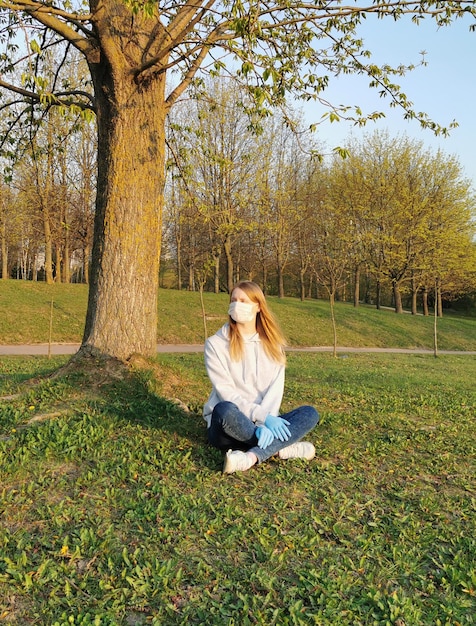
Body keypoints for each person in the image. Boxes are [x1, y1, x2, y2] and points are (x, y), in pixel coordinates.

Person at [203, 281, 320, 474]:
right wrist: (259, 421)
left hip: (265, 424)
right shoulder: (215, 344)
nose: (236, 305)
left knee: (310, 413)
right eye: (233, 300)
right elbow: (227, 394)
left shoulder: (274, 346)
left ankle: (250, 457)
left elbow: (274, 393)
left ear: (258, 306)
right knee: (223, 410)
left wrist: (265, 422)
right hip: (228, 426)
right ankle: (281, 448)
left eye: (243, 300)